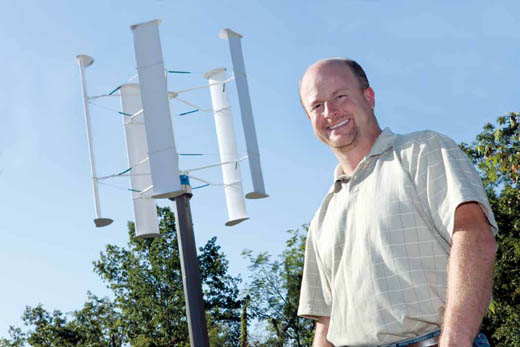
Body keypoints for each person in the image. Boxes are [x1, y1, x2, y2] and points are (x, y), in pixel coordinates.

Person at [297, 58, 498, 347]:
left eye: (340, 96)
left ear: (369, 97)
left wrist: (456, 339)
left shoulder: (423, 151)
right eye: (317, 106)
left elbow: (474, 235)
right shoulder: (322, 218)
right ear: (309, 119)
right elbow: (325, 324)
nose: (330, 112)